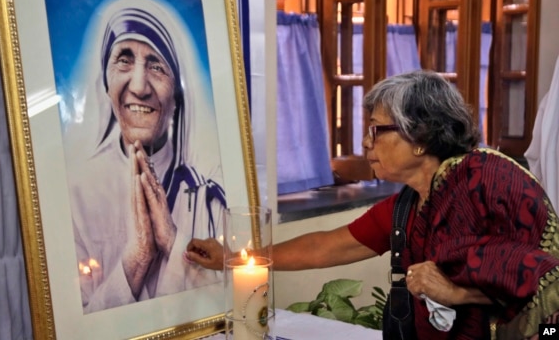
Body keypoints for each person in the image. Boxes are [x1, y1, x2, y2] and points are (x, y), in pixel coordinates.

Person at [187, 70, 559, 339]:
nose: (366, 143)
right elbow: (328, 245)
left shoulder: (483, 180)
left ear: (420, 136)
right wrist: (236, 256)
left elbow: (543, 277)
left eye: (376, 130)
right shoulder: (412, 202)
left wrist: (458, 293)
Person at [63, 0, 226, 314]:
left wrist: (173, 242)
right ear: (106, 83)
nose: (139, 86)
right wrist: (137, 258)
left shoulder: (209, 196)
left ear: (178, 96)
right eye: (124, 60)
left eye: (156, 65)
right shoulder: (75, 193)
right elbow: (71, 321)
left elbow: (224, 303)